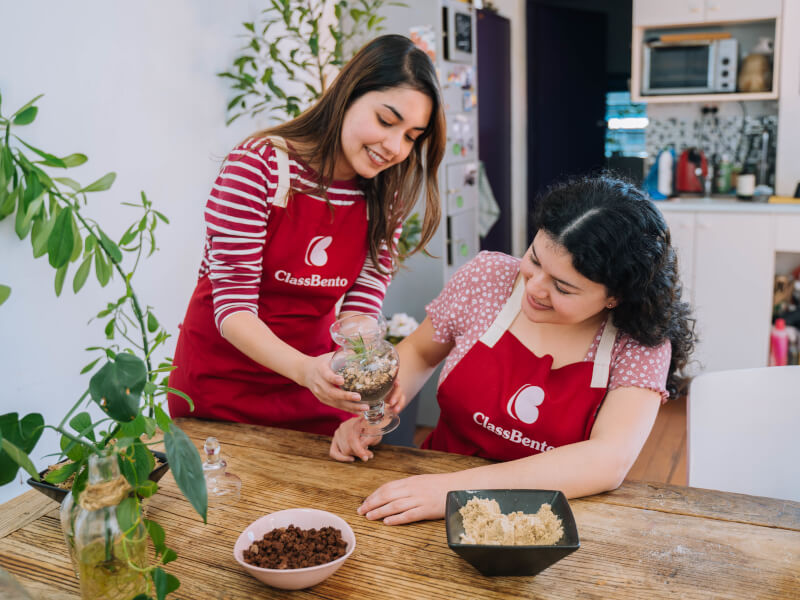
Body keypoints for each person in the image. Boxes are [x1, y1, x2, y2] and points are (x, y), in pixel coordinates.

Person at [330, 175, 696, 525]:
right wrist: (375, 414)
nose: (535, 288)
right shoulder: (487, 278)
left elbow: (607, 460)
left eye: (563, 288)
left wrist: (454, 491)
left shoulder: (639, 342)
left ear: (615, 296)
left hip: (540, 518)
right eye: (535, 260)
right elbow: (422, 353)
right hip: (429, 484)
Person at [167, 34, 445, 435]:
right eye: (386, 121)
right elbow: (233, 308)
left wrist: (369, 368)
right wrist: (304, 369)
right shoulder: (259, 167)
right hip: (220, 385)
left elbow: (362, 302)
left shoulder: (385, 195)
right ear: (348, 94)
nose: (394, 147)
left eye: (411, 137)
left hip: (312, 387)